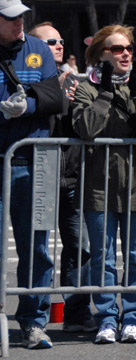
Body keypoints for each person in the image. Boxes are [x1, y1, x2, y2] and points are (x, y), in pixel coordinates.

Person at [72, 25, 136, 344]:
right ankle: (107, 318)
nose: (126, 53)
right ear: (101, 56)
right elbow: (86, 128)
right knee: (103, 257)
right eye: (117, 49)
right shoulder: (86, 88)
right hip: (98, 187)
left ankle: (133, 317)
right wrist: (106, 93)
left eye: (128, 48)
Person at [0, 0, 65, 349]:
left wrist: (29, 104)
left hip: (34, 160)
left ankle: (33, 321)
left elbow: (57, 99)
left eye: (20, 15)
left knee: (36, 246)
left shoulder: (38, 49)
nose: (18, 23)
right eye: (10, 17)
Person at [29, 22, 95, 333]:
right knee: (38, 249)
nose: (58, 46)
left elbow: (79, 129)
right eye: (50, 41)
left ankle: (77, 311)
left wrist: (72, 102)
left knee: (80, 246)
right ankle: (36, 316)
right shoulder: (28, 79)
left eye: (60, 41)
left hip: (71, 177)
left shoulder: (75, 83)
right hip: (38, 177)